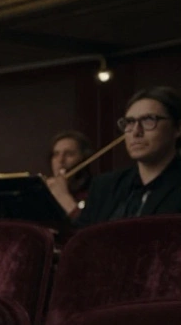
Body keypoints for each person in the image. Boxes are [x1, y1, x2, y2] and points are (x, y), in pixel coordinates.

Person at [62, 86, 181, 226]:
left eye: (149, 120)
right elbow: (81, 240)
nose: (136, 132)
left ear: (177, 128)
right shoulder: (104, 186)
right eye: (130, 122)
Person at [42, 130, 95, 217]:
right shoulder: (45, 189)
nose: (60, 160)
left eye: (69, 154)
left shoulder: (95, 191)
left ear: (83, 159)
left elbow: (88, 226)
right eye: (56, 154)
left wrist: (63, 196)